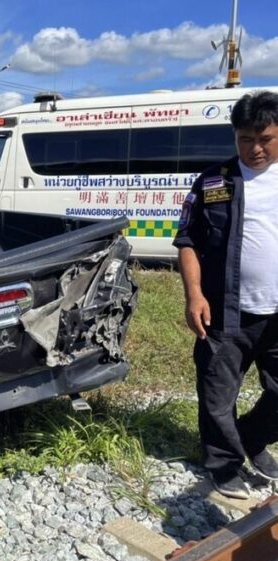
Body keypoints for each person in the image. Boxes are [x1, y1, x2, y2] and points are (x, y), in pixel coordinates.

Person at [174, 90, 278, 499]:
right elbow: (187, 241)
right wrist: (193, 295)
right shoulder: (214, 181)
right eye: (244, 139)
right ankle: (224, 463)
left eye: (265, 138)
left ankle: (251, 438)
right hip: (225, 312)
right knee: (217, 394)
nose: (254, 148)